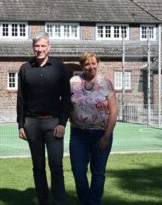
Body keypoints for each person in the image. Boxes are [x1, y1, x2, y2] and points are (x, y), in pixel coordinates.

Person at [17, 31, 71, 205]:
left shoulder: (59, 68)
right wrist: (20, 124)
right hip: (31, 124)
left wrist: (62, 123)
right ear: (33, 48)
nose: (39, 49)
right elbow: (21, 98)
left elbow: (66, 98)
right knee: (38, 167)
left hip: (53, 123)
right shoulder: (25, 69)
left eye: (43, 46)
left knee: (56, 166)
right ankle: (43, 201)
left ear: (49, 48)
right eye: (37, 46)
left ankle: (58, 201)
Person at [69, 52, 118, 205]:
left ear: (98, 63)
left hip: (101, 134)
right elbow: (65, 104)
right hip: (78, 135)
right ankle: (85, 201)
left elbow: (114, 111)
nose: (90, 67)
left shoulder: (106, 83)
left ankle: (94, 202)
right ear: (82, 66)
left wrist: (106, 136)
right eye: (87, 64)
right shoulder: (73, 82)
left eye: (93, 63)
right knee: (78, 171)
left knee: (98, 173)